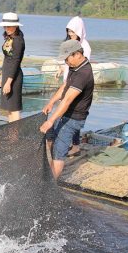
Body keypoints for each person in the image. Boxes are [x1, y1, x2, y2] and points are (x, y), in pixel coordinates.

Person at [40, 40, 94, 180]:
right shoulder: (74, 66)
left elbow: (68, 100)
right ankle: (50, 173)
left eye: (67, 58)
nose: (66, 61)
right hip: (65, 113)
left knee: (59, 152)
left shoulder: (84, 73)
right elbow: (65, 86)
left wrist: (51, 120)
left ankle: (49, 187)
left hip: (74, 118)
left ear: (77, 54)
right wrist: (51, 102)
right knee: (51, 139)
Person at [56, 16, 92, 157]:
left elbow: (82, 67)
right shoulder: (69, 43)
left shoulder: (85, 46)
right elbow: (68, 62)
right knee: (67, 113)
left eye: (73, 31)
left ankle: (75, 145)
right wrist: (61, 68)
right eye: (69, 31)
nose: (70, 34)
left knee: (74, 114)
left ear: (79, 31)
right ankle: (71, 142)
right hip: (68, 81)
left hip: (77, 84)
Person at [0, 12, 25, 123]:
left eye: (9, 26)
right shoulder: (9, 38)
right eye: (5, 26)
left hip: (14, 77)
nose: (6, 28)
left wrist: (8, 81)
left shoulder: (18, 40)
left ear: (16, 25)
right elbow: (7, 58)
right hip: (7, 74)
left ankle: (15, 137)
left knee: (14, 109)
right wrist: (2, 76)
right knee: (9, 108)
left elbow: (15, 62)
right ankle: (12, 135)